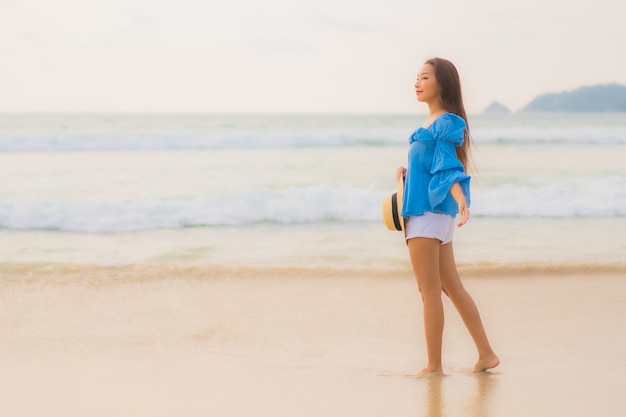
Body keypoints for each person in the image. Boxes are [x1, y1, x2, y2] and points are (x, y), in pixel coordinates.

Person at [396, 57, 499, 375]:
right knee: (451, 287)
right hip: (437, 217)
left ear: (442, 84)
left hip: (427, 217)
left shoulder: (442, 124)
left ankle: (434, 365)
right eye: (417, 77)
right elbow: (433, 170)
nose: (417, 82)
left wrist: (462, 201)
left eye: (424, 77)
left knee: (429, 292)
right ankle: (486, 354)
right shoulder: (435, 125)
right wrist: (405, 176)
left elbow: (449, 170)